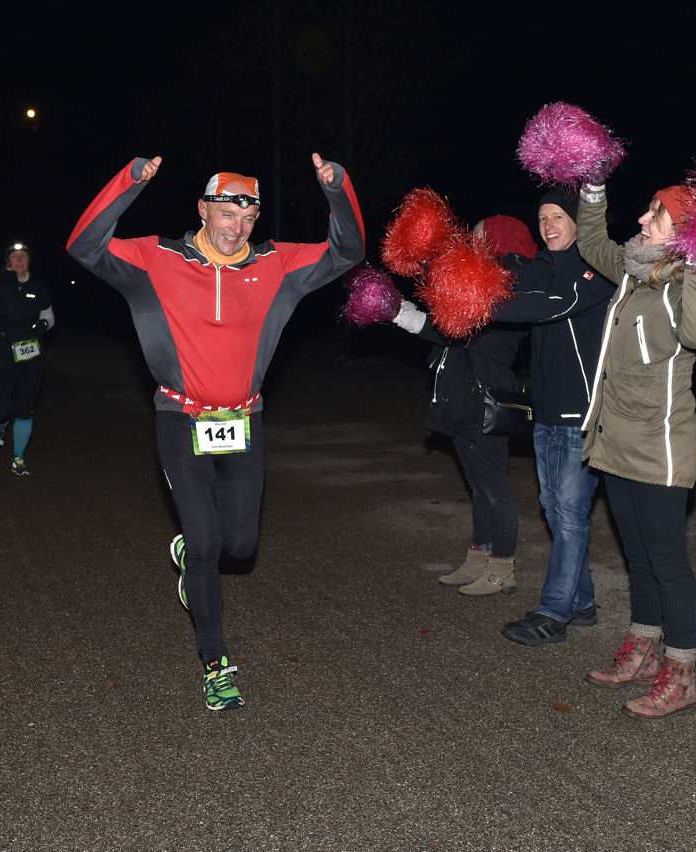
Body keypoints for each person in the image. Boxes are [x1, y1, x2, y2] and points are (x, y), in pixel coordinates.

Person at [66, 152, 364, 710]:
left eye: (249, 218)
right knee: (206, 544)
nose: (238, 229)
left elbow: (349, 251)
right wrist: (128, 182)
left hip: (243, 421)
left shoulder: (279, 264)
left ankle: (194, 551)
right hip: (180, 419)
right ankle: (215, 662)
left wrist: (337, 190)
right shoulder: (155, 258)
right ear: (203, 210)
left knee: (241, 545)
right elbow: (84, 244)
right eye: (228, 214)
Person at [573, 174, 696, 719]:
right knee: (636, 555)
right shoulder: (637, 272)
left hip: (660, 445)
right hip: (614, 438)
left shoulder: (689, 280)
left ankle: (682, 673)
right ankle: (641, 648)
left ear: (683, 231)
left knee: (667, 562)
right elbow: (592, 245)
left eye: (655, 214)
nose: (642, 220)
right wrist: (593, 189)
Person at [493, 190, 618, 645]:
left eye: (558, 216)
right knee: (555, 510)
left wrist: (480, 303)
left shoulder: (596, 272)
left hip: (580, 417)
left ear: (578, 220)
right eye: (542, 216)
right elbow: (507, 278)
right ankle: (581, 603)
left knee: (568, 515)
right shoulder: (540, 267)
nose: (548, 225)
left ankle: (554, 612)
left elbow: (546, 306)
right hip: (544, 414)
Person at [392, 216, 532, 597]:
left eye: (479, 234)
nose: (471, 239)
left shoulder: (510, 288)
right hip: (462, 396)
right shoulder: (479, 282)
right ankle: (480, 557)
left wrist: (410, 311)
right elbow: (448, 332)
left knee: (495, 487)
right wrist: (400, 309)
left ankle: (503, 567)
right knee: (479, 486)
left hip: (484, 399)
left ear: (500, 240)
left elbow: (461, 334)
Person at [0, 243, 54, 475]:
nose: (19, 260)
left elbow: (49, 316)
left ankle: (18, 457)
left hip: (31, 352)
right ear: (8, 260)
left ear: (29, 260)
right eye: (14, 256)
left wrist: (44, 324)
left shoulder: (39, 286)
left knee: (25, 408)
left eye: (23, 255)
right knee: (2, 411)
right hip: (1, 353)